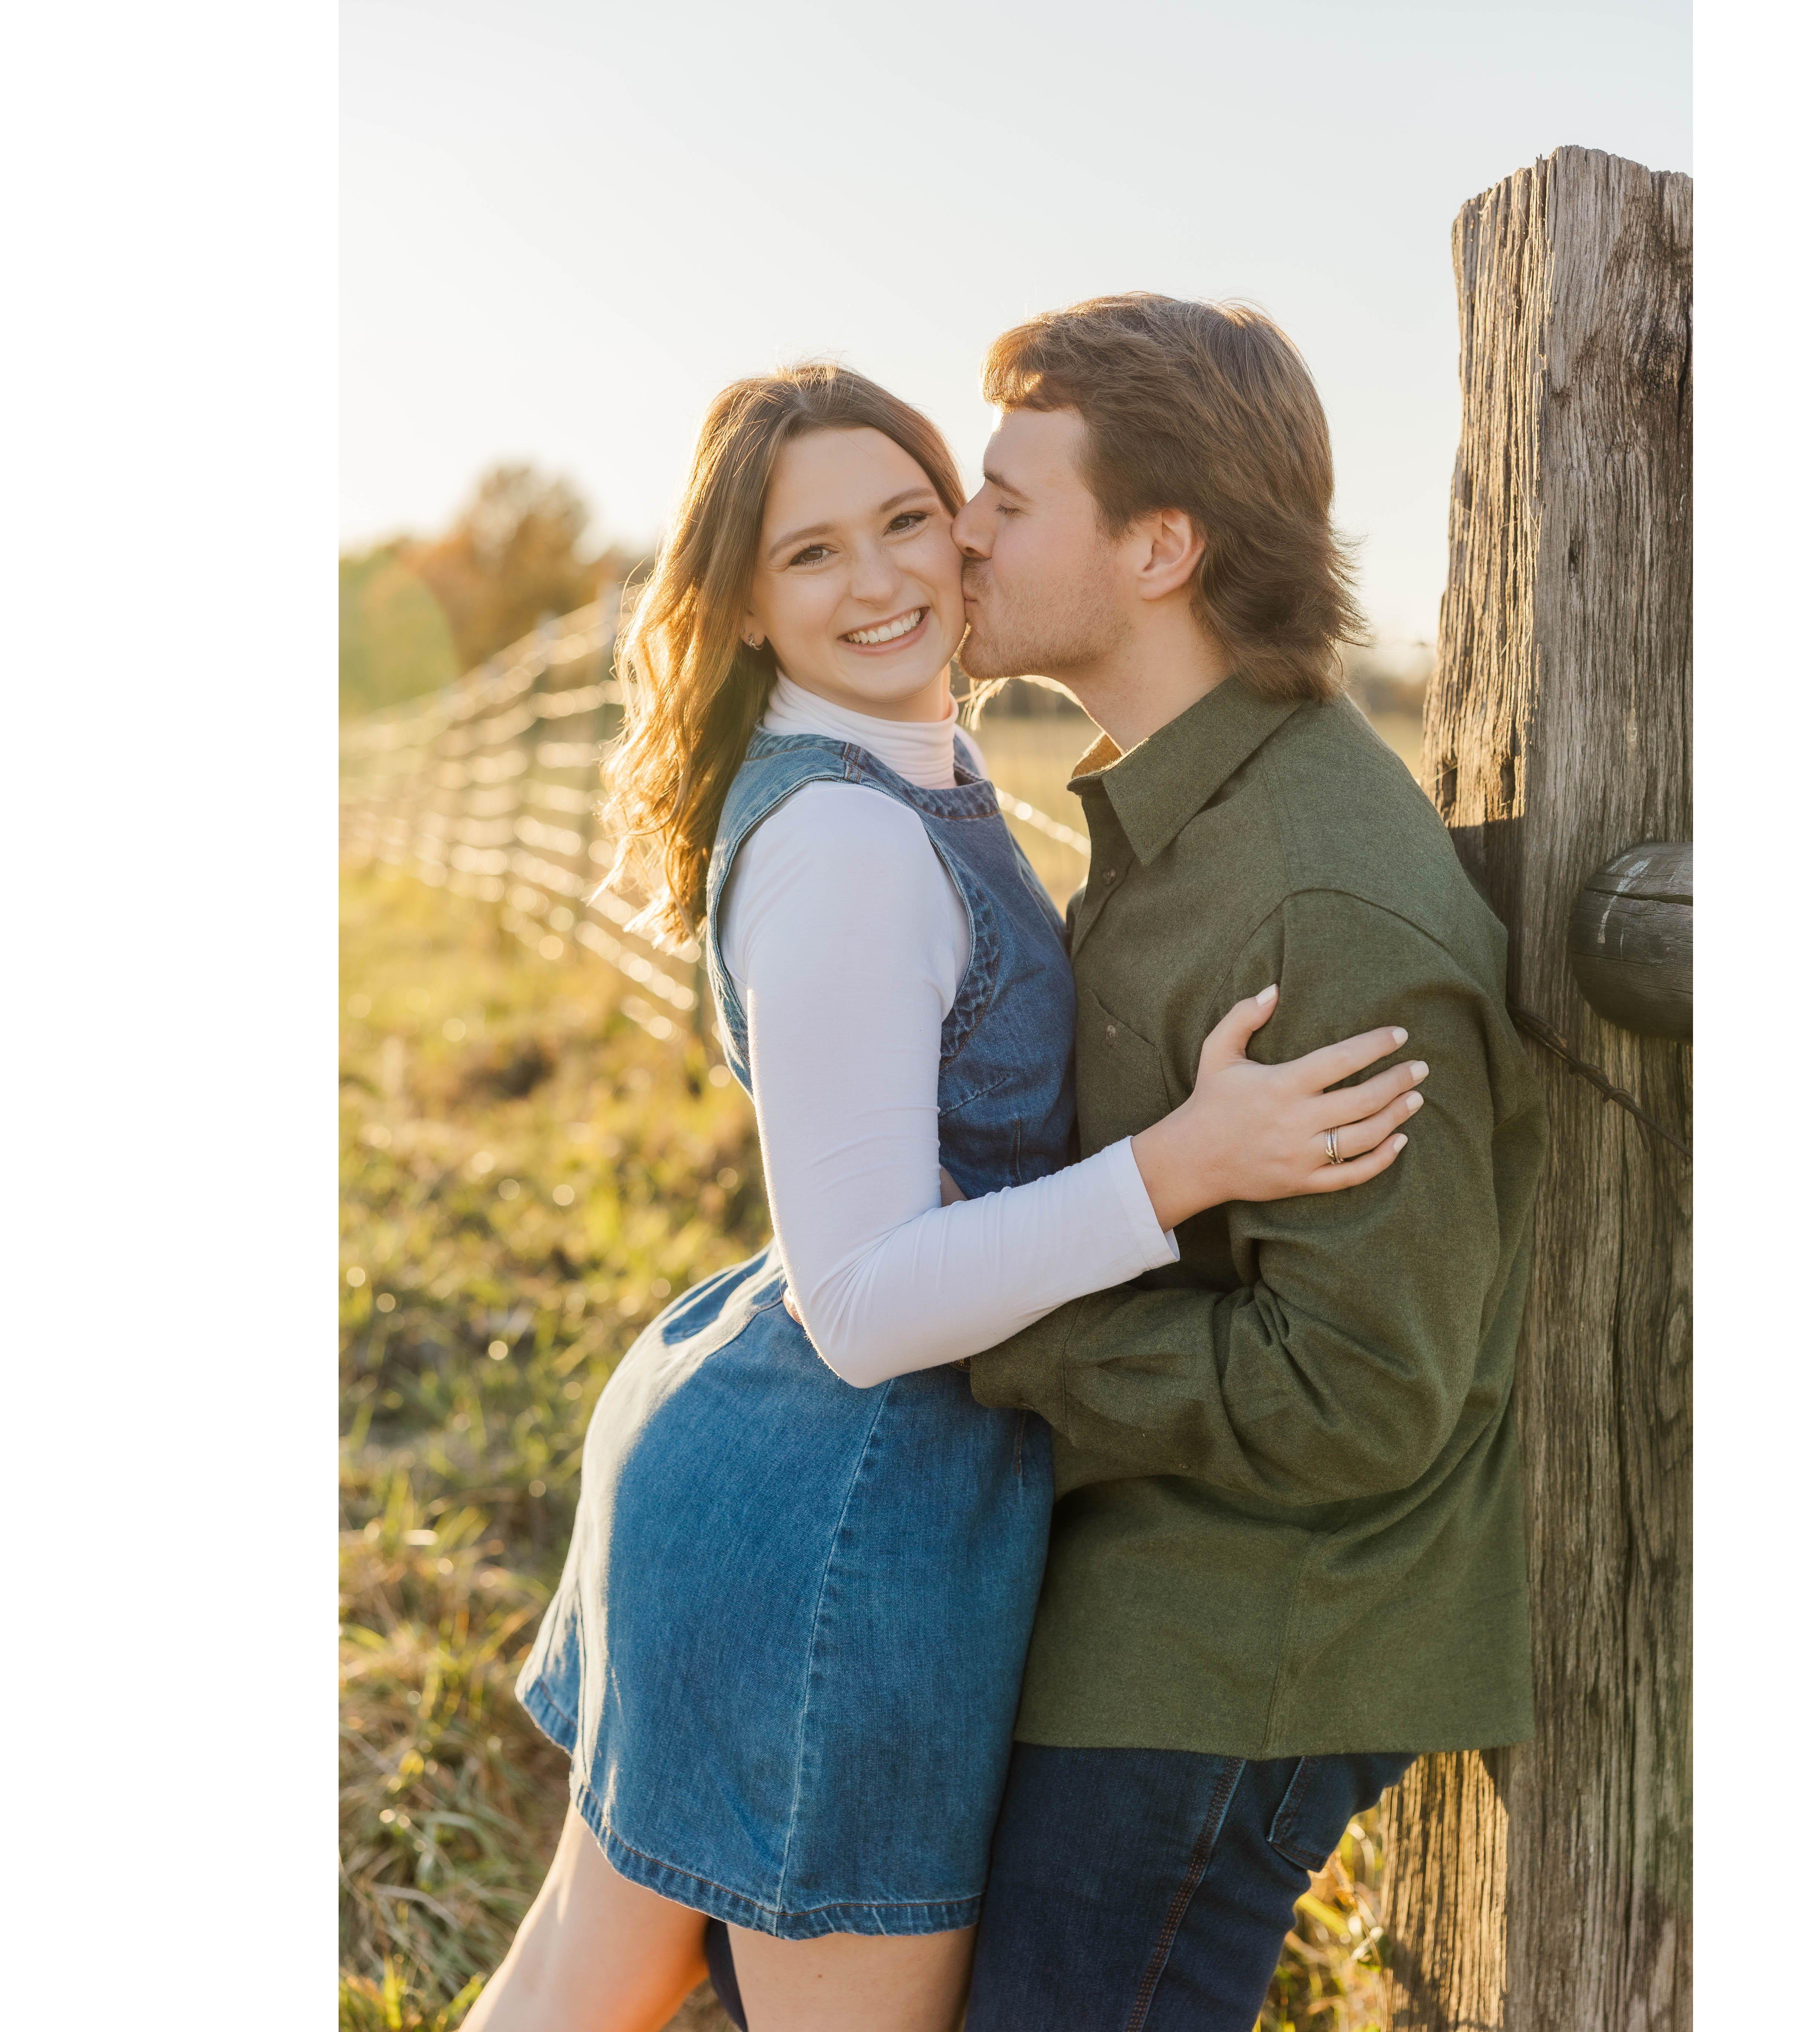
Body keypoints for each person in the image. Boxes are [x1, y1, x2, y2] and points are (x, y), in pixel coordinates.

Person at [460, 362, 1428, 2032]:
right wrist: (1181, 1168)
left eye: (908, 518)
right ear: (745, 605)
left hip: (757, 1470)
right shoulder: (846, 844)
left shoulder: (911, 767)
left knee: (574, 1988)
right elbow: (860, 1307)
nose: (883, 579)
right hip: (841, 1524)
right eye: (811, 553)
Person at [935, 296, 1546, 2029]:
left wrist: (998, 1327)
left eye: (1008, 500)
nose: (961, 531)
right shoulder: (1188, 811)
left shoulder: (1316, 904)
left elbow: (1365, 1393)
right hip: (1142, 1594)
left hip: (1236, 1646)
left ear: (1160, 548)